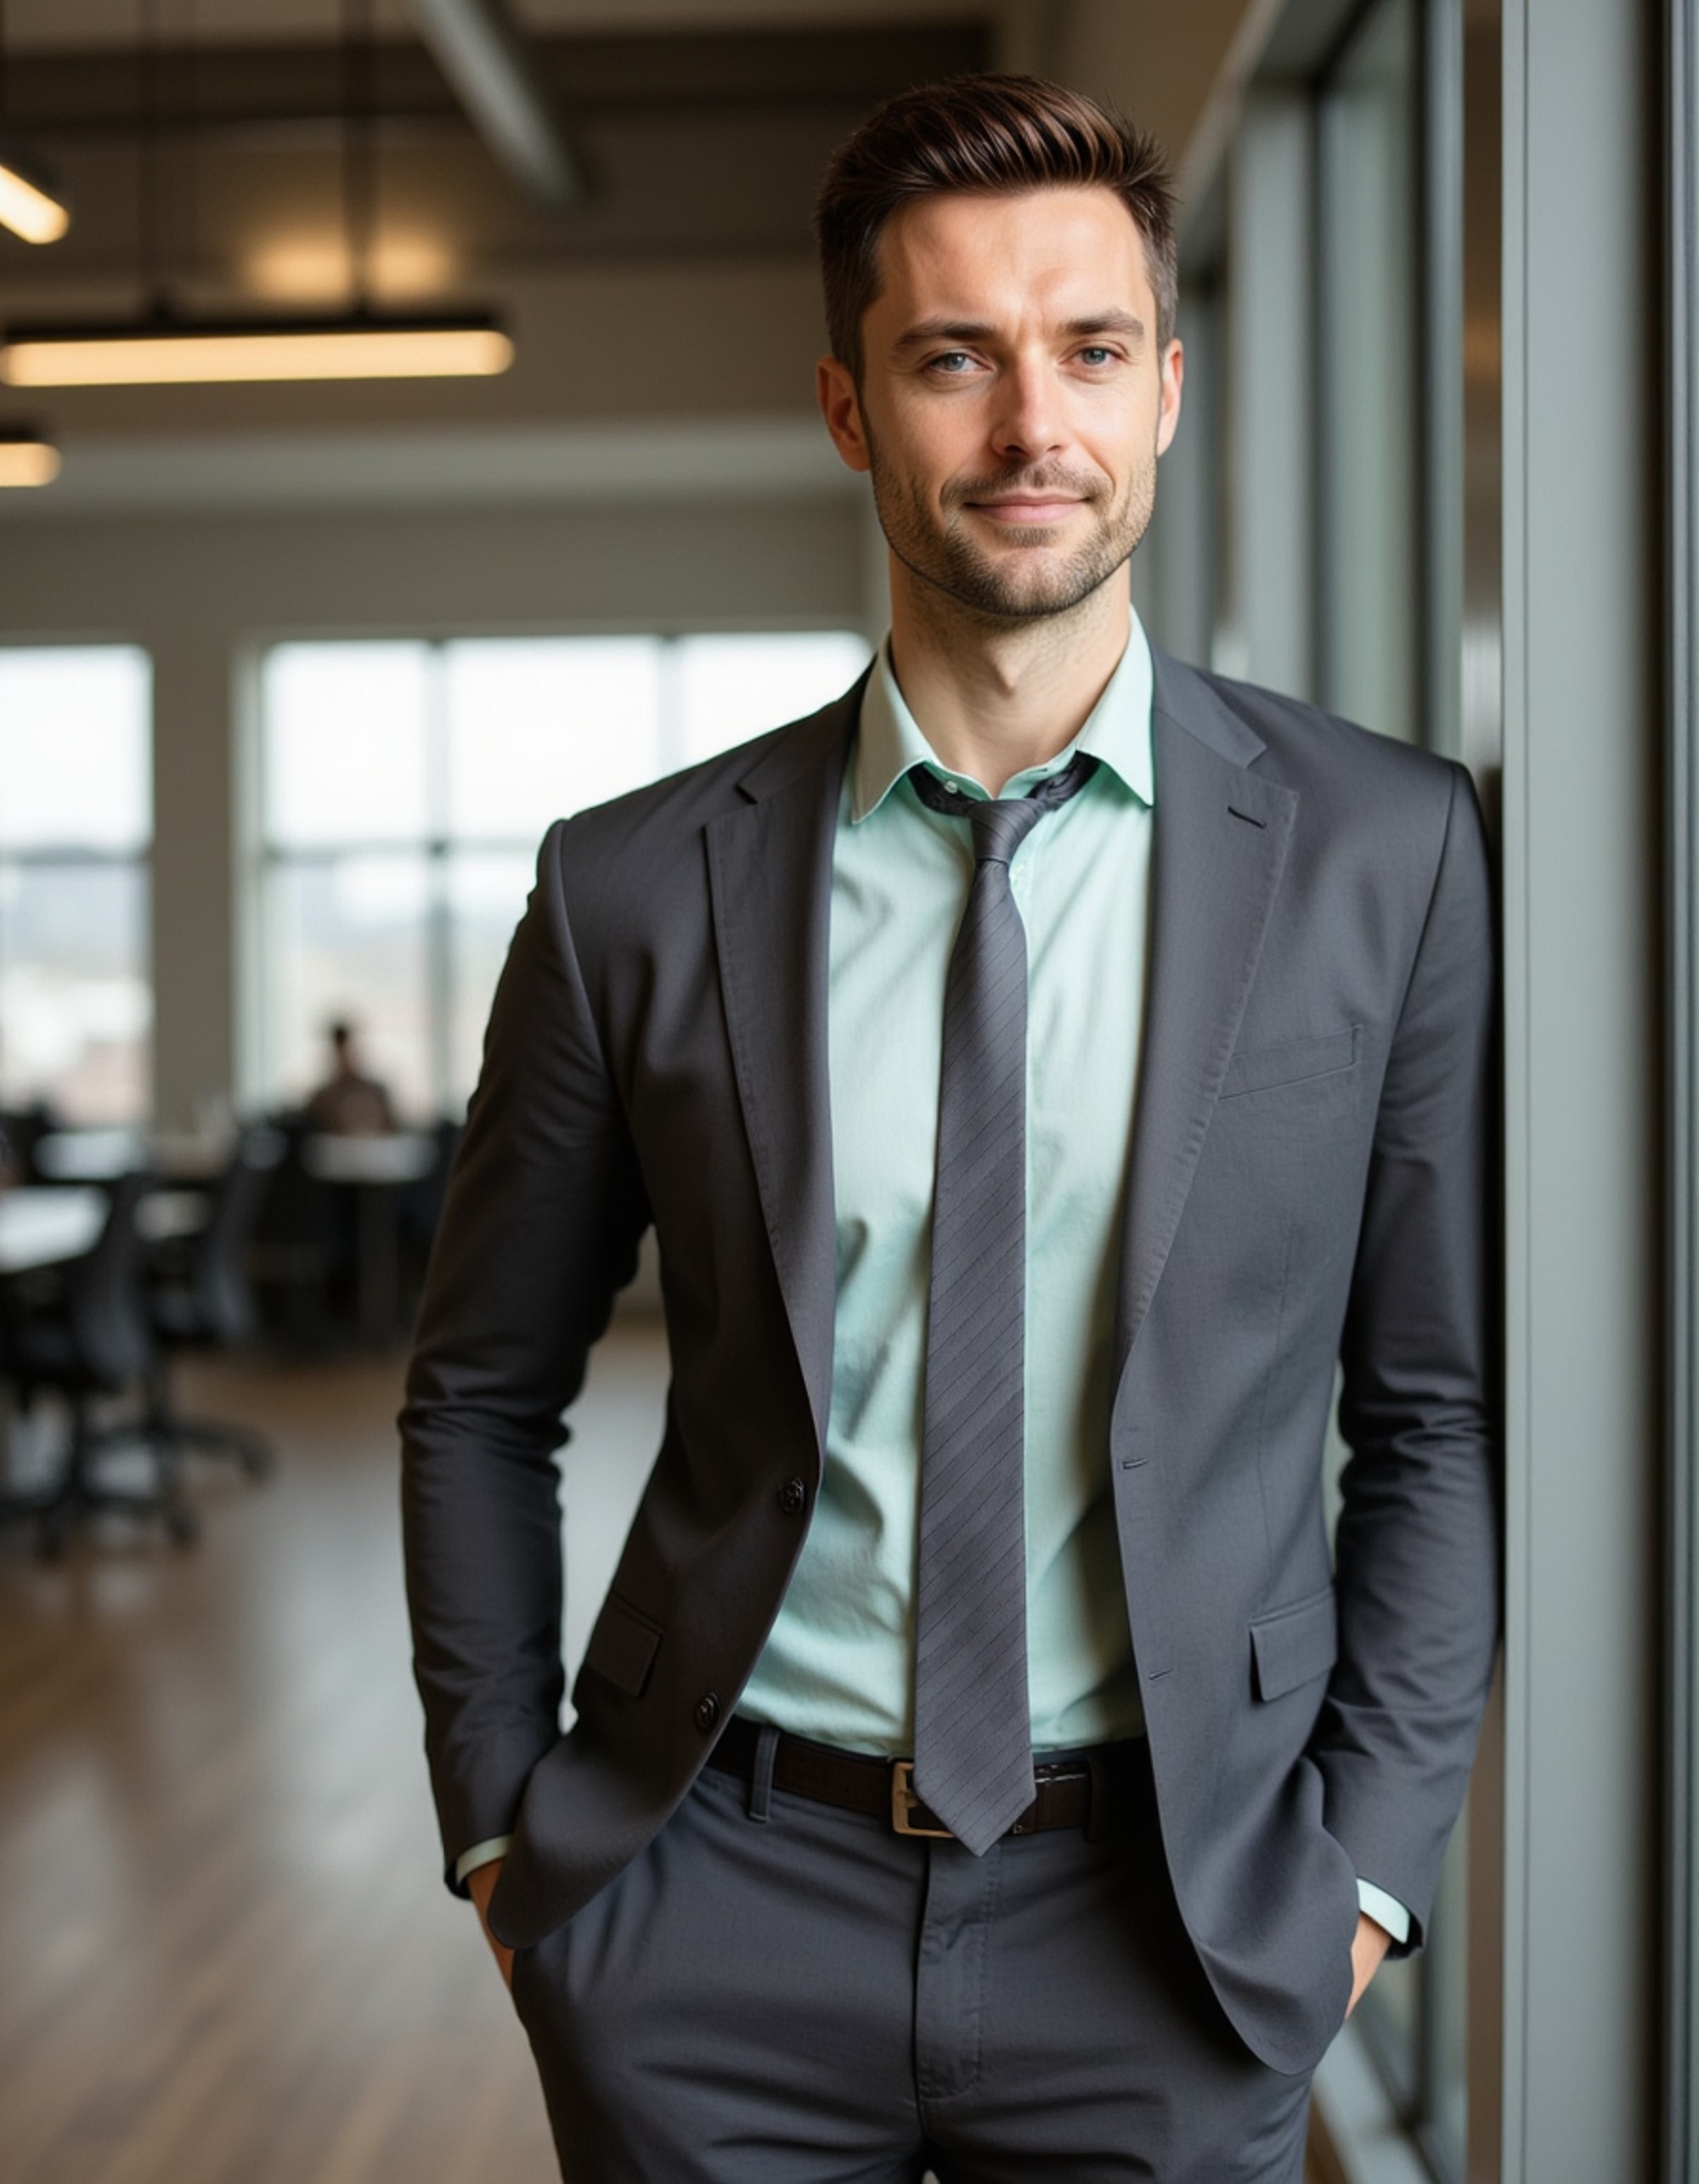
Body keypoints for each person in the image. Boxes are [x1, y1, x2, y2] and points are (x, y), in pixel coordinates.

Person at [401, 73, 1498, 2184]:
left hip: (1180, 1925)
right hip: (708, 1907)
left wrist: (1357, 1880)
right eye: (951, 358)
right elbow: (476, 1387)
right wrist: (503, 1843)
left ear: (1167, 390)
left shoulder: (1382, 851)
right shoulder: (636, 885)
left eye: (1088, 350)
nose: (1029, 428)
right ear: (847, 408)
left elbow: (1432, 1413)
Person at [302, 1019, 397, 1137]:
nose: (346, 1057)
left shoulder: (376, 1092)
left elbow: (391, 1130)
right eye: (341, 1051)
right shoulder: (323, 1098)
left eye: (349, 1049)